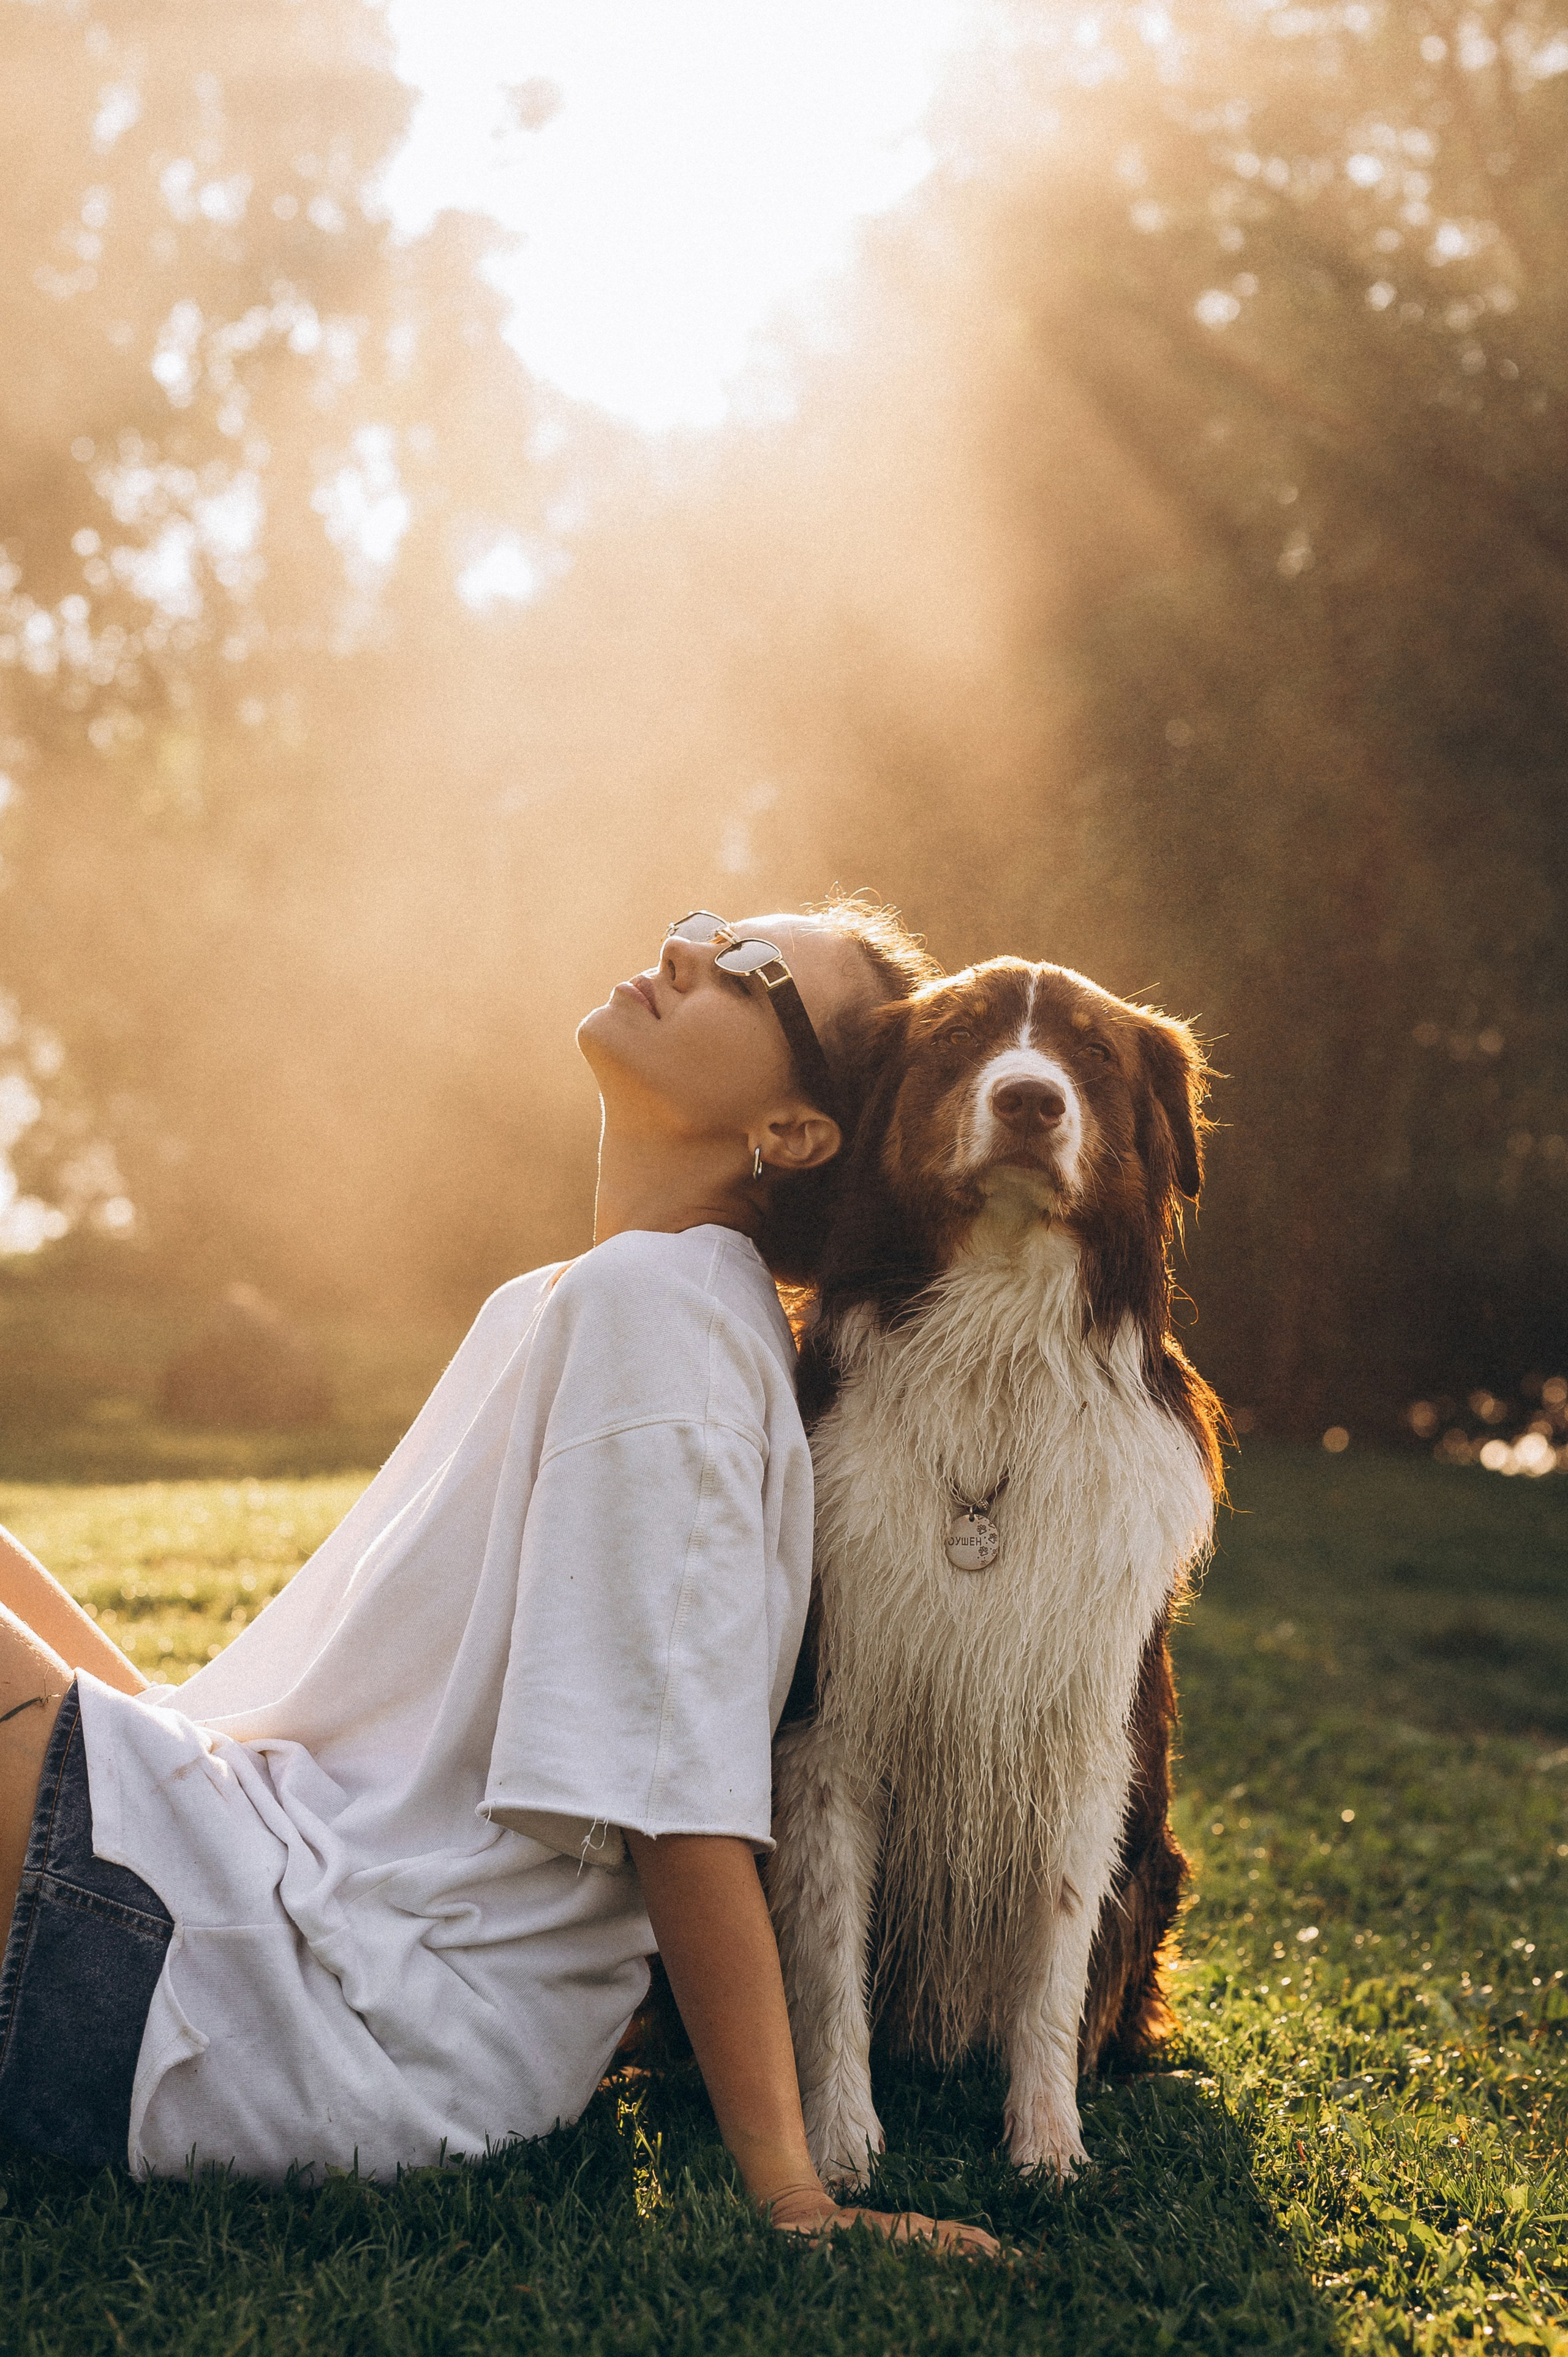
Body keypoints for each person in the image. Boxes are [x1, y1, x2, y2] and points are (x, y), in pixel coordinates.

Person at [0, 900, 996, 2255]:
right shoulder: (585, 1295)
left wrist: (792, 2192)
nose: (687, 950)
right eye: (706, 924)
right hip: (240, 1901)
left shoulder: (670, 1322)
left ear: (794, 1131)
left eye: (750, 971)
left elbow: (682, 1791)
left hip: (315, 2016)